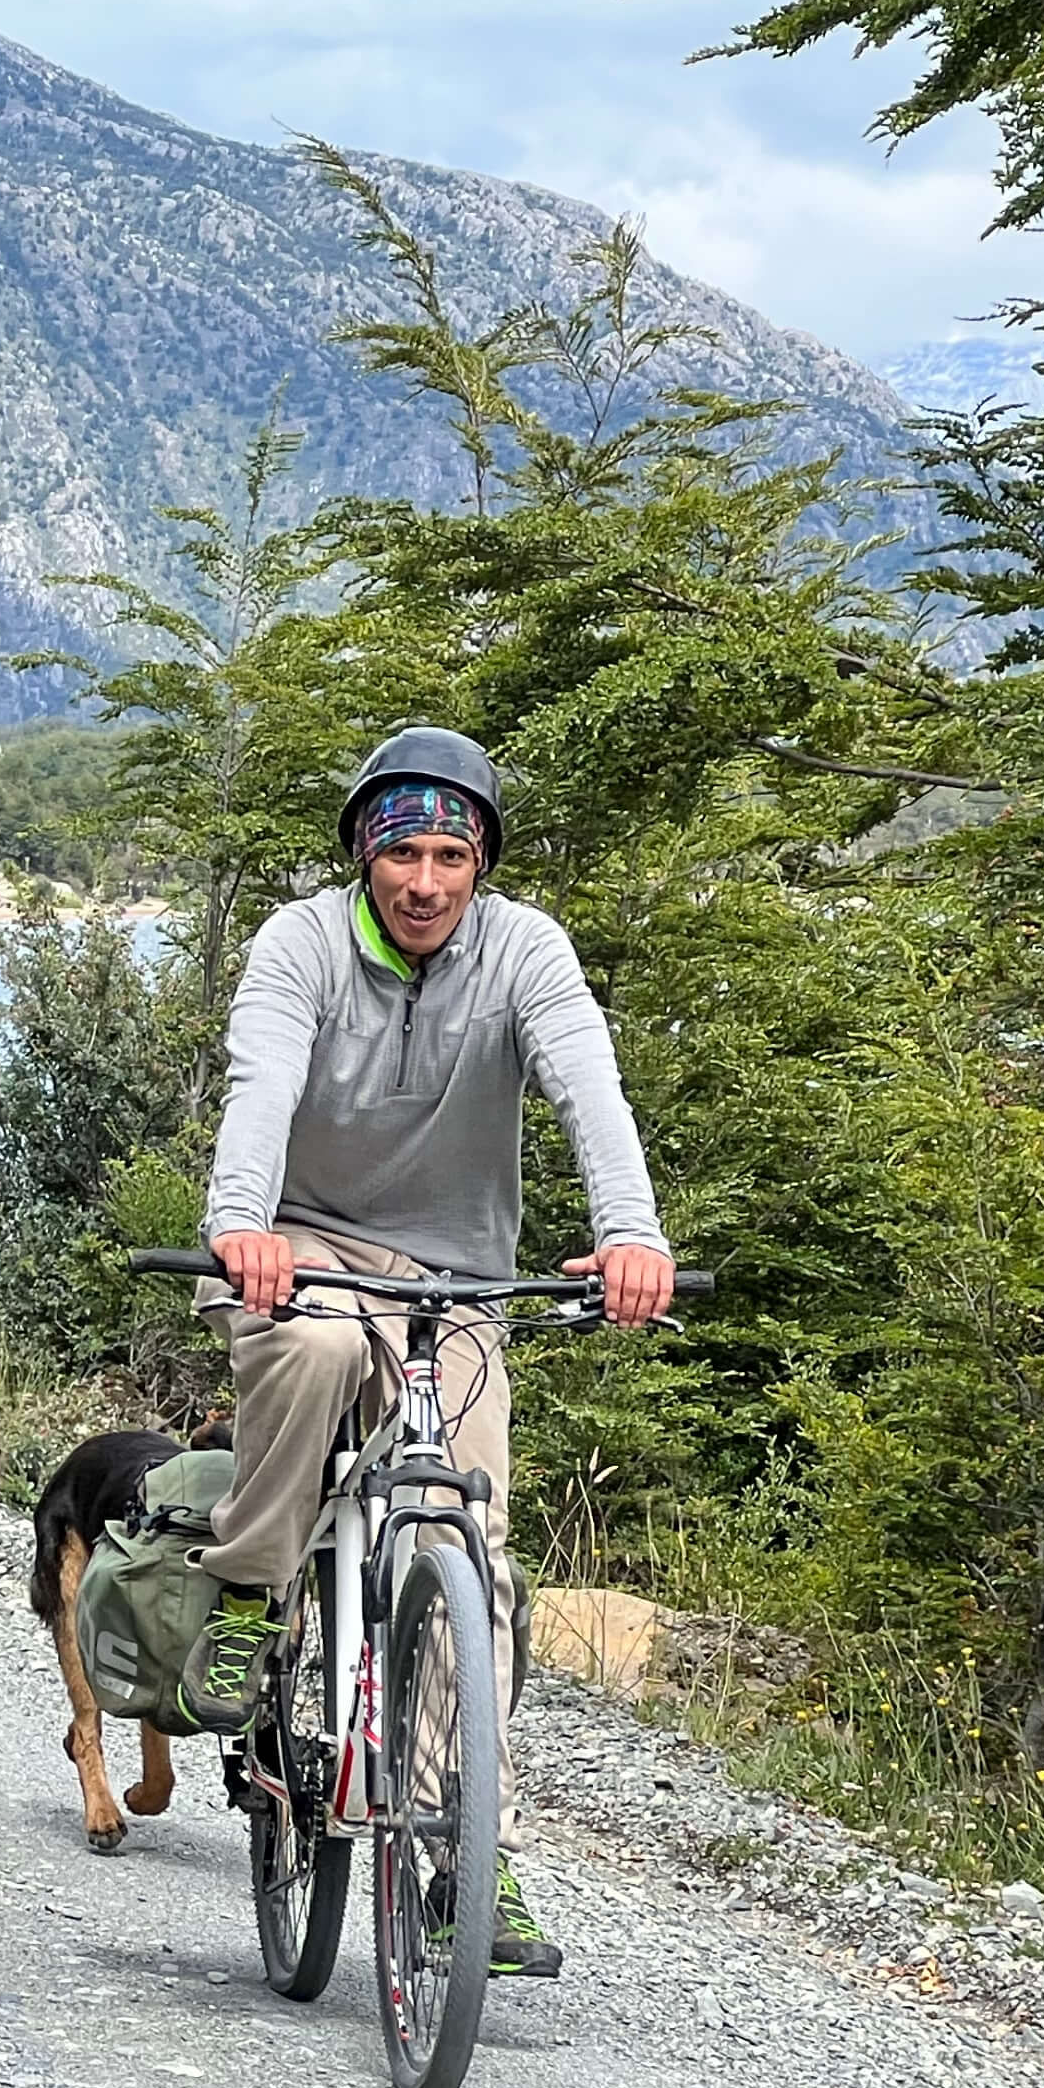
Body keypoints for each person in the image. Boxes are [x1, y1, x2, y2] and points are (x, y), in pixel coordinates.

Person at [188, 726, 677, 1979]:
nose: (425, 880)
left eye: (451, 853)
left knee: (475, 1549)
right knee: (303, 1351)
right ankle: (250, 1591)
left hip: (461, 1282)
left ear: (481, 863)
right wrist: (240, 1225)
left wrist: (631, 1235)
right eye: (401, 850)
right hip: (304, 1249)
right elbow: (261, 1083)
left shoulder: (527, 951)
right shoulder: (299, 945)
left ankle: (470, 1860)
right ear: (364, 855)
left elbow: (587, 1083)